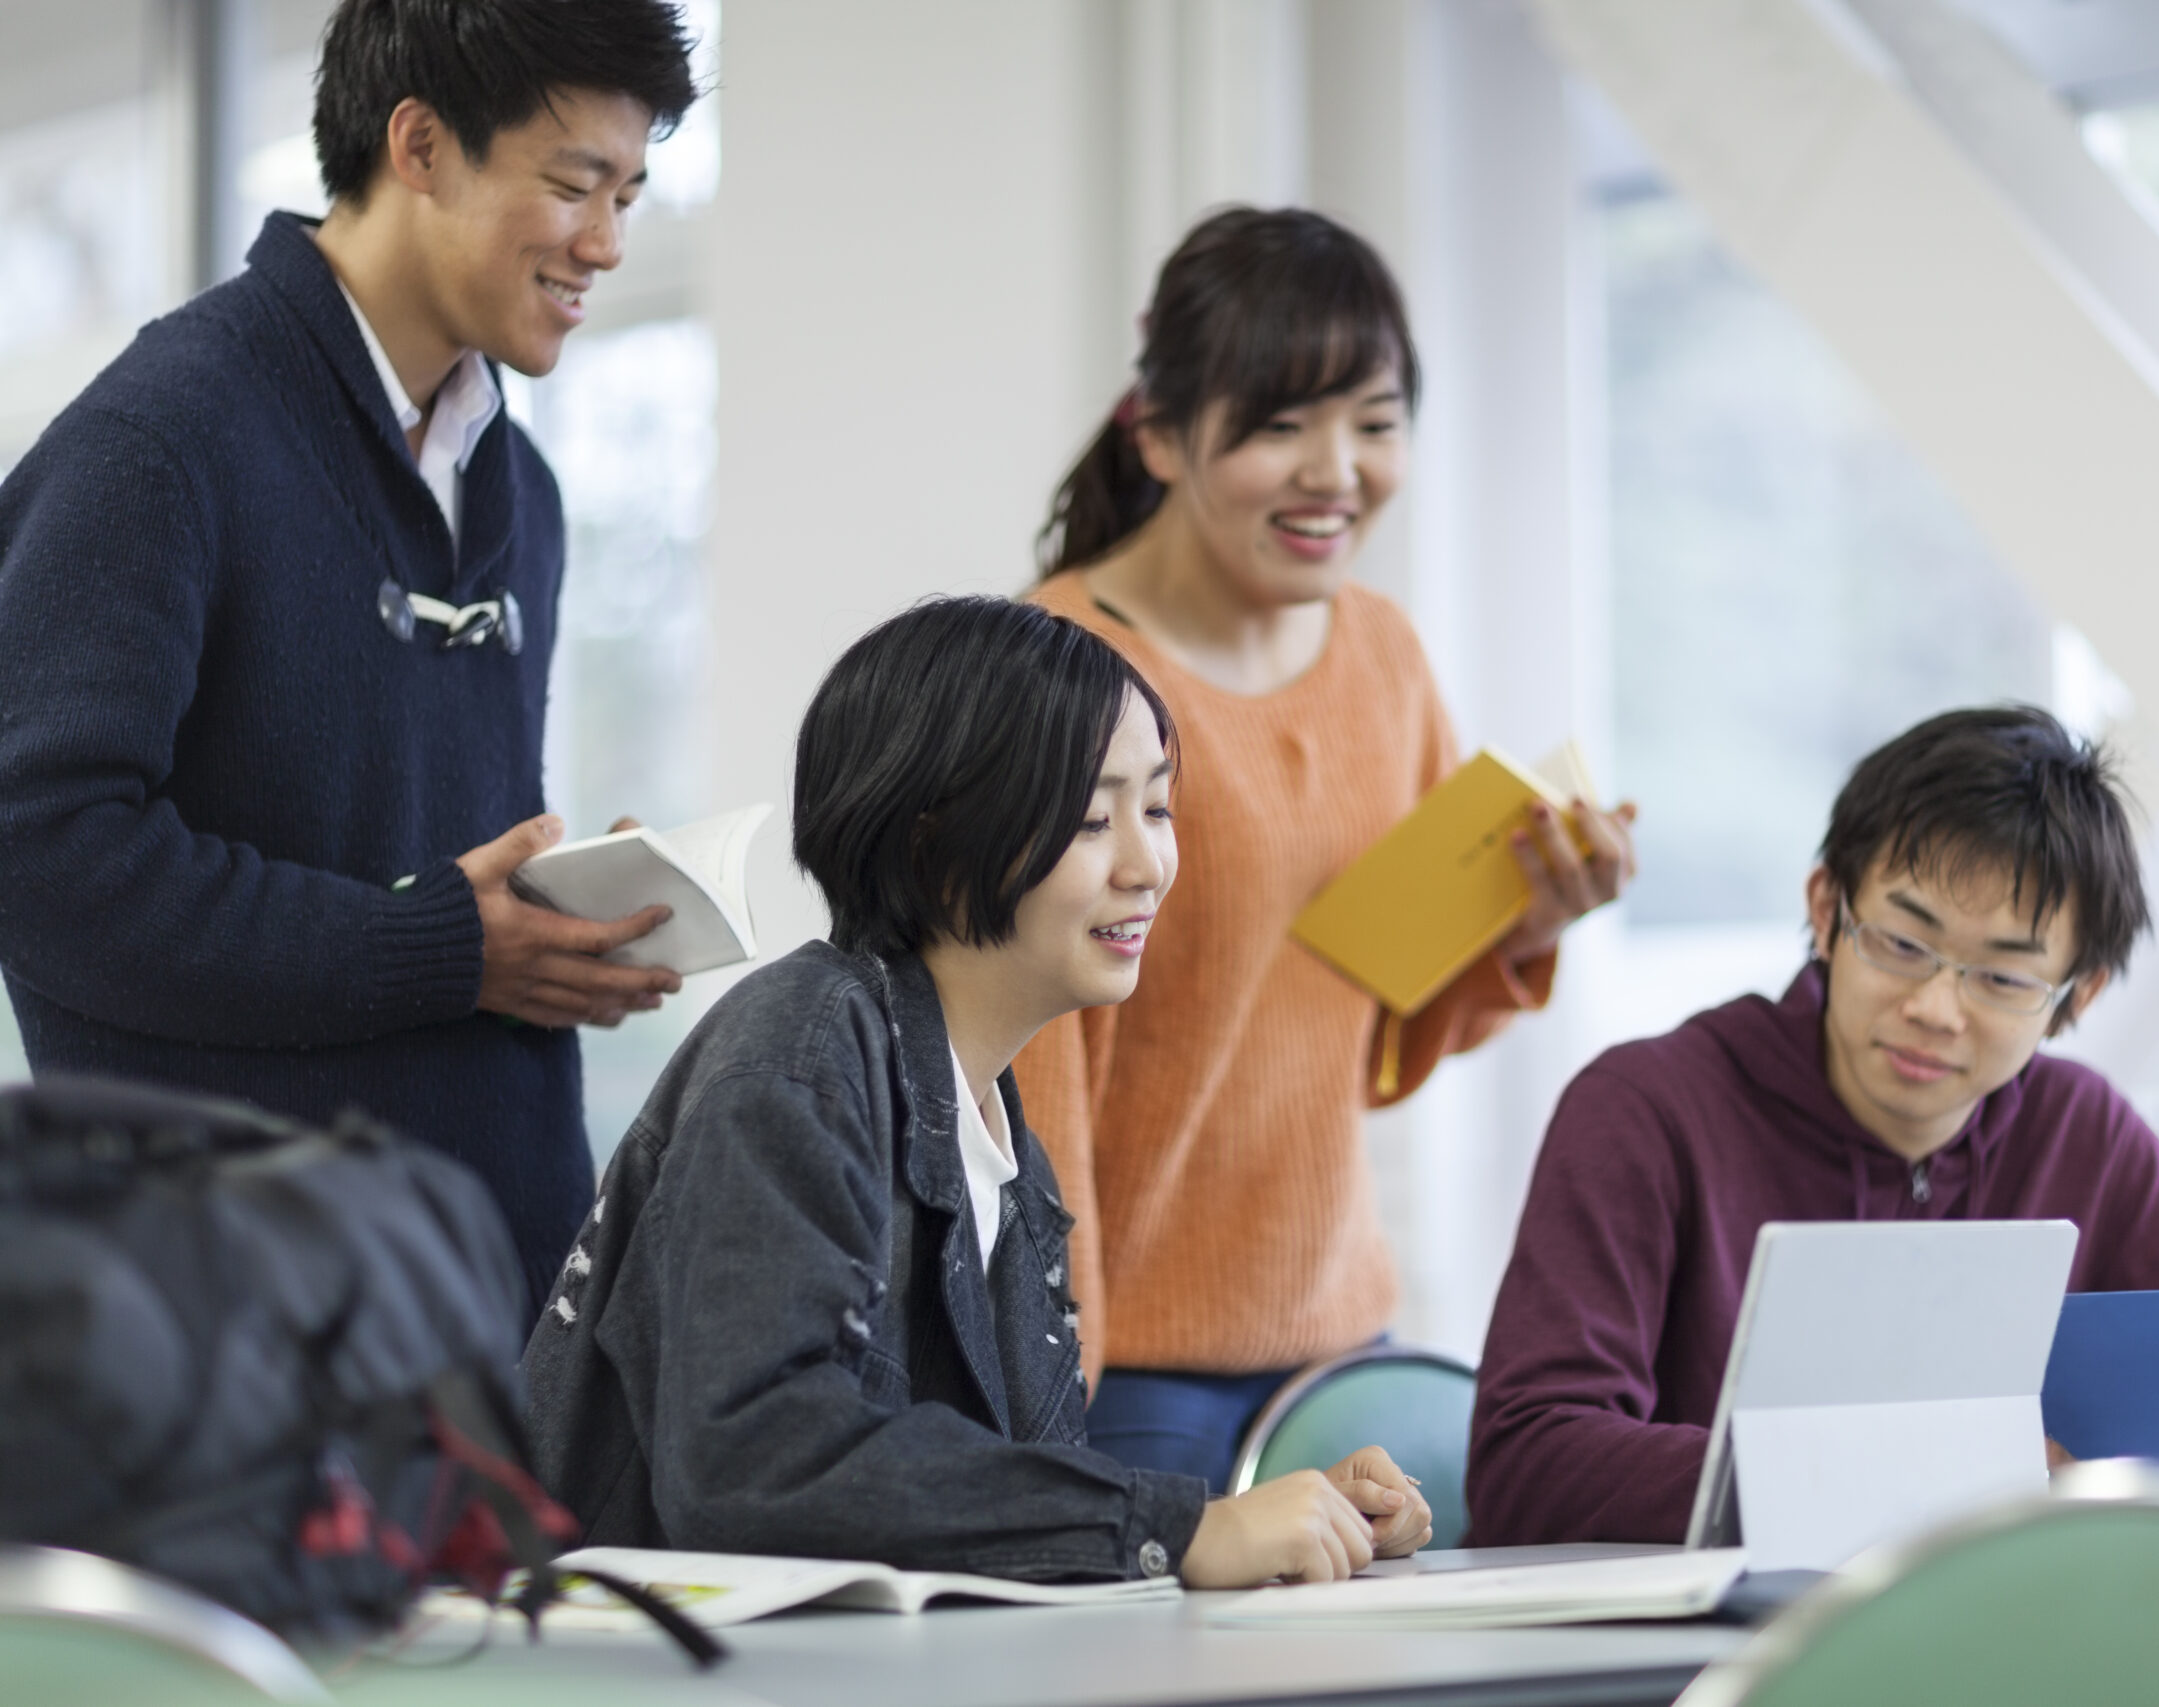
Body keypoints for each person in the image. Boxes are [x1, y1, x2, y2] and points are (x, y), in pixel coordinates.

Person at [0, 0, 697, 1303]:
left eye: (633, 193)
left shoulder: (517, 492)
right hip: (233, 1324)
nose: (605, 243)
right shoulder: (161, 442)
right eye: (573, 185)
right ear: (420, 144)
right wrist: (437, 943)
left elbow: (421, 867)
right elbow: (39, 859)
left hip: (491, 1302)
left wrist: (535, 931)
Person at [522, 598, 1433, 1584]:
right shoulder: (800, 1058)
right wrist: (1180, 1528)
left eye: (1158, 808)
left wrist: (1260, 1518)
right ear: (931, 849)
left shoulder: (992, 1128)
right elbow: (755, 1462)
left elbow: (981, 1500)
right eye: (1091, 819)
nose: (1148, 866)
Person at [1017, 207, 1640, 1484]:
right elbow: (1030, 1072)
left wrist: (1524, 920)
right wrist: (1045, 1379)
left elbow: (1357, 1032)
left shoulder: (1383, 654)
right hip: (1125, 1372)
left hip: (1346, 1347)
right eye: (1279, 425)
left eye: (1373, 419)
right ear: (1159, 434)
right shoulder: (1055, 672)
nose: (1335, 471)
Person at [1466, 706, 2159, 1546]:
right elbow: (1528, 1460)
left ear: (2077, 995)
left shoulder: (2087, 1136)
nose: (1935, 1009)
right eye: (1903, 943)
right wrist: (1912, 1474)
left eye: (2000, 976)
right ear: (1827, 908)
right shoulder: (1646, 1109)